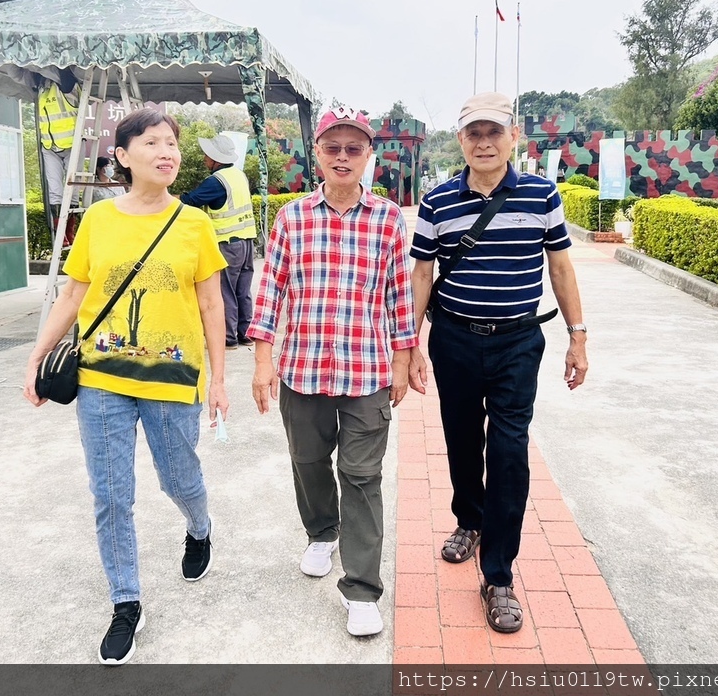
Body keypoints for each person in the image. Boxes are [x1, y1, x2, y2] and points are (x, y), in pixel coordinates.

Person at [23, 107, 229, 666]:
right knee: (111, 493)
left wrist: (218, 379)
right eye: (153, 143)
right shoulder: (97, 220)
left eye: (172, 144)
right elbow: (72, 295)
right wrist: (38, 356)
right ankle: (126, 602)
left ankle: (200, 525)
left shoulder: (194, 224)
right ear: (123, 155)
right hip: (101, 377)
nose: (168, 153)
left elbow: (212, 303)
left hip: (172, 376)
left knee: (178, 477)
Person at [409, 91, 589, 635]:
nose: (483, 143)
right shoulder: (437, 202)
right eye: (473, 133)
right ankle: (469, 520)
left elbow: (560, 268)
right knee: (462, 437)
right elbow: (421, 275)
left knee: (509, 453)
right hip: (455, 340)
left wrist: (577, 336)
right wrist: (409, 343)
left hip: (517, 344)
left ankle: (499, 573)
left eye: (494, 132)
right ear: (461, 141)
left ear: (515, 138)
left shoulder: (541, 194)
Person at [247, 107, 417, 638]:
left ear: (370, 156)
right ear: (316, 153)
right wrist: (262, 359)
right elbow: (270, 288)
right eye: (332, 147)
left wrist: (403, 359)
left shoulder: (388, 219)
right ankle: (321, 531)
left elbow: (398, 295)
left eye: (354, 148)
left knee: (363, 477)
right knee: (308, 460)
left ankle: (362, 588)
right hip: (302, 368)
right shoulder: (292, 218)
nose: (343, 157)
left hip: (366, 372)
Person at [180, 135, 257, 349]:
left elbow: (190, 200)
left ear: (216, 158)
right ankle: (245, 332)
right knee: (243, 290)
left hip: (227, 243)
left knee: (225, 291)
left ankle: (228, 337)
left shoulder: (216, 181)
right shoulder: (238, 175)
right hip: (247, 241)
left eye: (207, 155)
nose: (205, 158)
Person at [37, 75, 81, 246]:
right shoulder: (41, 88)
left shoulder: (67, 83)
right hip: (49, 146)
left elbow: (63, 72)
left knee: (73, 190)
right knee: (55, 190)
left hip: (72, 144)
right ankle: (59, 231)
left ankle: (70, 230)